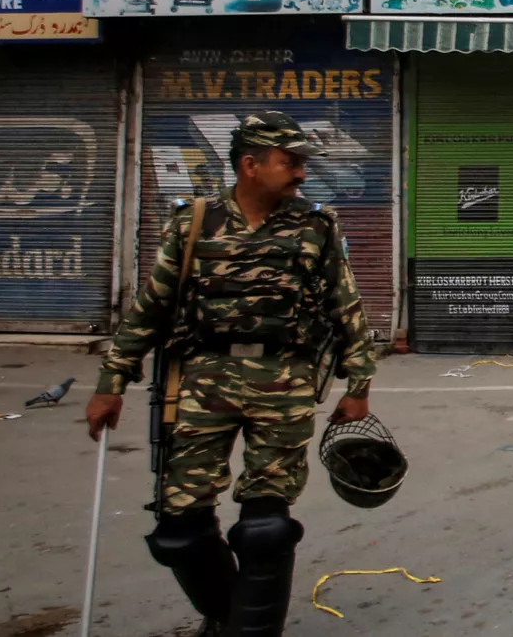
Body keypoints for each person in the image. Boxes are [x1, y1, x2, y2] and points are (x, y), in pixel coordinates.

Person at [83, 112, 379, 637]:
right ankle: (224, 616)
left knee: (266, 528)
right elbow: (149, 309)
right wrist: (111, 383)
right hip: (202, 381)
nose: (301, 175)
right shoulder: (195, 222)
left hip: (283, 380)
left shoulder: (314, 227)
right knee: (180, 528)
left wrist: (359, 388)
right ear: (250, 164)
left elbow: (346, 308)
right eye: (289, 163)